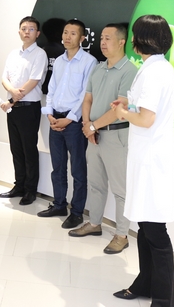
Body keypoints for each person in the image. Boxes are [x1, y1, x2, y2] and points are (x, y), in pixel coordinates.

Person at [111, 15, 174, 306]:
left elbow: (146, 119)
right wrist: (129, 105)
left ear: (142, 39)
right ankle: (146, 283)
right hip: (146, 159)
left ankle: (165, 300)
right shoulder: (155, 68)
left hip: (152, 162)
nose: (131, 40)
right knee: (145, 226)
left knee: (154, 231)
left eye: (134, 35)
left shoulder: (155, 72)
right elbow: (147, 108)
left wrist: (123, 114)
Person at [69, 23, 138, 255]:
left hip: (116, 135)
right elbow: (87, 99)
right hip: (94, 135)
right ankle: (94, 223)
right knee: (96, 184)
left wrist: (92, 126)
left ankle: (121, 235)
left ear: (122, 42)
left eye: (108, 38)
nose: (103, 42)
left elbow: (120, 109)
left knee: (120, 189)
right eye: (101, 38)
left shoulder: (130, 71)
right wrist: (88, 125)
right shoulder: (98, 68)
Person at [38, 19, 97, 230]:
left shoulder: (89, 62)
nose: (67, 37)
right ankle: (59, 205)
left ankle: (77, 213)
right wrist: (49, 113)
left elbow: (86, 95)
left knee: (78, 170)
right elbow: (52, 89)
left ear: (82, 38)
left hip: (75, 123)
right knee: (58, 167)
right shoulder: (59, 61)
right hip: (55, 119)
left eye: (73, 33)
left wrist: (70, 118)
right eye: (65, 32)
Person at [0, 16, 47, 205]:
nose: (27, 32)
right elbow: (4, 78)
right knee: (16, 149)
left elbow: (33, 82)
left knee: (29, 150)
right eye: (24, 28)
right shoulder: (13, 54)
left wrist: (11, 100)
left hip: (29, 109)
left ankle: (30, 190)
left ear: (38, 33)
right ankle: (18, 186)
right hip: (14, 109)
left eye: (31, 29)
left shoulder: (40, 54)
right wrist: (11, 93)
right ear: (19, 31)